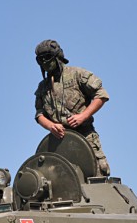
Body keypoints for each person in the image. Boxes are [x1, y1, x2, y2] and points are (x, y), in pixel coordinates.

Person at [33, 39, 111, 176]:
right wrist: (51, 126)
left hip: (85, 137)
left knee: (98, 174)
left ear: (58, 57)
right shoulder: (43, 87)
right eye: (40, 60)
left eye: (47, 58)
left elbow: (101, 95)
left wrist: (83, 116)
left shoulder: (77, 75)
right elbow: (39, 114)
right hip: (58, 143)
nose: (45, 62)